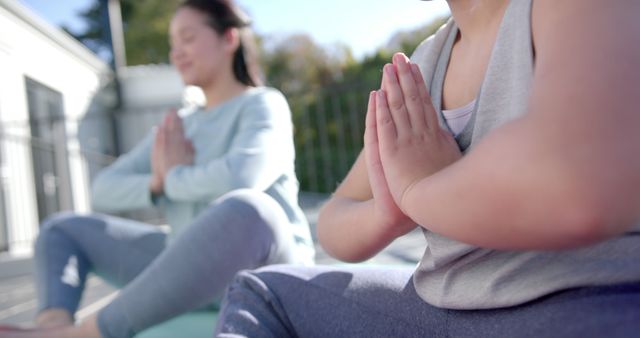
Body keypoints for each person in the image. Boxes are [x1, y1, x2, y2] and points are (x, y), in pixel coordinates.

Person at [214, 0, 640, 337]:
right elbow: (335, 220)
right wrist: (389, 210)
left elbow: (578, 188)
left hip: (582, 304)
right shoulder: (421, 65)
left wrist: (419, 189)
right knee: (263, 291)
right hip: (435, 310)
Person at [0, 1, 314, 337]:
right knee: (60, 229)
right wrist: (156, 183)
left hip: (264, 269)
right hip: (185, 275)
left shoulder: (264, 103)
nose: (176, 52)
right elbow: (102, 189)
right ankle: (52, 327)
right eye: (172, 43)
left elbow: (243, 176)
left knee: (251, 209)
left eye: (188, 38)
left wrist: (172, 179)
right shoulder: (175, 127)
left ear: (228, 38)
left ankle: (83, 334)